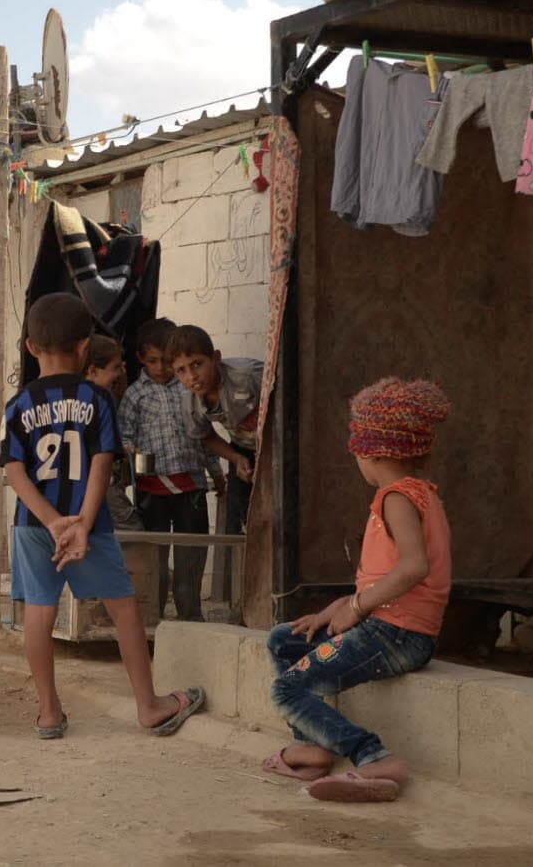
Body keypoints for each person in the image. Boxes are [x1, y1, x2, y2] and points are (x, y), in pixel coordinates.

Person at [0, 293, 205, 740]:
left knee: (39, 611)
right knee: (124, 610)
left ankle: (49, 713)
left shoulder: (17, 405)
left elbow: (15, 471)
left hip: (35, 525)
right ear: (83, 347)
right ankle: (149, 707)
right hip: (89, 524)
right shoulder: (97, 399)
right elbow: (101, 463)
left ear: (31, 347)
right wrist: (82, 523)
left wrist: (54, 521)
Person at [262, 378, 452, 803]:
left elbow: (414, 566)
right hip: (390, 627)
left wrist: (358, 607)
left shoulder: (396, 497)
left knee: (287, 689)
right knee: (285, 641)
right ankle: (313, 747)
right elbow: (386, 571)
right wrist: (340, 605)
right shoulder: (417, 494)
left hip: (395, 634)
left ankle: (373, 756)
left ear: (374, 451)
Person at [120, 319, 213, 621]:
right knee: (155, 558)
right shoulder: (135, 395)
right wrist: (129, 449)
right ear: (140, 359)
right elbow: (124, 434)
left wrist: (217, 472)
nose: (160, 368)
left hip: (191, 486)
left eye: (166, 362)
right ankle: (153, 618)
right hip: (152, 490)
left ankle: (190, 616)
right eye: (152, 361)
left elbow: (205, 434)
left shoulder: (189, 389)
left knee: (191, 554)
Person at [168, 325, 264, 538]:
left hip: (281, 443)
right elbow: (206, 436)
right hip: (245, 449)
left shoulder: (246, 375)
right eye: (181, 370)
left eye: (197, 365)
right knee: (241, 513)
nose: (191, 376)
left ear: (216, 358)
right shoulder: (191, 404)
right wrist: (236, 458)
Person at [83, 334, 141, 532]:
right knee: (133, 530)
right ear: (92, 371)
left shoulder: (104, 396)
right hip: (101, 484)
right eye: (116, 368)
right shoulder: (98, 398)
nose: (120, 373)